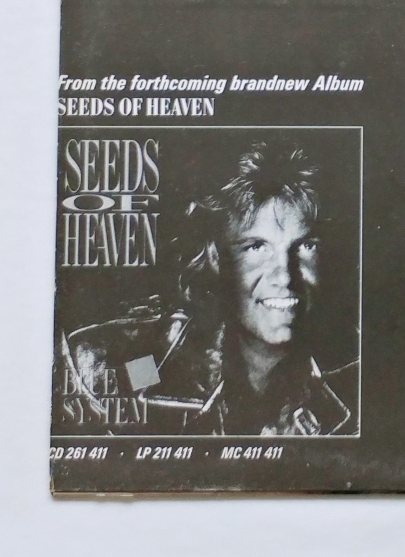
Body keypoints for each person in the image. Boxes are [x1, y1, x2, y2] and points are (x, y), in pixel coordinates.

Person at [58, 142, 358, 436]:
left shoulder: (357, 376)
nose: (285, 276)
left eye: (305, 246)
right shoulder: (145, 363)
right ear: (216, 256)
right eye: (256, 247)